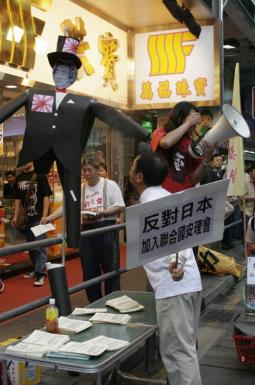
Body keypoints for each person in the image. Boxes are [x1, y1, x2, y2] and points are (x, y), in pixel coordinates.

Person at [0, 35, 147, 249]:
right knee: (67, 188)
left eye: (65, 70)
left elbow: (110, 115)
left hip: (67, 151)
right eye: (57, 69)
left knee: (72, 190)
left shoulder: (83, 102)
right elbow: (9, 108)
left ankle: (74, 238)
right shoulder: (35, 95)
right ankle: (73, 238)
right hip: (39, 148)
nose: (59, 73)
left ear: (73, 76)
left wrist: (142, 133)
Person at [129, 149, 203, 385]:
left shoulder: (152, 204)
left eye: (132, 165)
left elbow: (175, 244)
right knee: (182, 349)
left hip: (175, 287)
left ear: (139, 176)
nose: (130, 169)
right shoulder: (166, 197)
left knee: (179, 353)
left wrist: (175, 263)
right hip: (186, 285)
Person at [46, 159, 125, 302]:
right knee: (89, 270)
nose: (86, 174)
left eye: (89, 170)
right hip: (87, 231)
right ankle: (95, 303)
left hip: (106, 228)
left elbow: (120, 206)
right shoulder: (80, 188)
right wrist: (49, 217)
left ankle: (113, 301)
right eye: (84, 171)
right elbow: (67, 206)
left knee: (111, 269)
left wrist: (103, 212)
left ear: (97, 170)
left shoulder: (110, 185)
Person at [150, 101, 213, 194]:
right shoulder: (160, 133)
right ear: (179, 117)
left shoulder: (193, 145)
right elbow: (166, 143)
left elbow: (194, 180)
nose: (194, 122)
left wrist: (206, 159)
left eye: (196, 119)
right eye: (192, 117)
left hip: (184, 198)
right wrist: (188, 123)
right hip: (161, 195)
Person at [11, 162, 52, 286]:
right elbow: (17, 199)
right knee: (30, 247)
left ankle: (40, 273)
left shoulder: (39, 175)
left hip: (39, 217)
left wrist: (45, 216)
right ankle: (36, 269)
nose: (24, 164)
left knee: (40, 246)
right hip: (27, 219)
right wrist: (16, 215)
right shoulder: (19, 178)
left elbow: (46, 197)